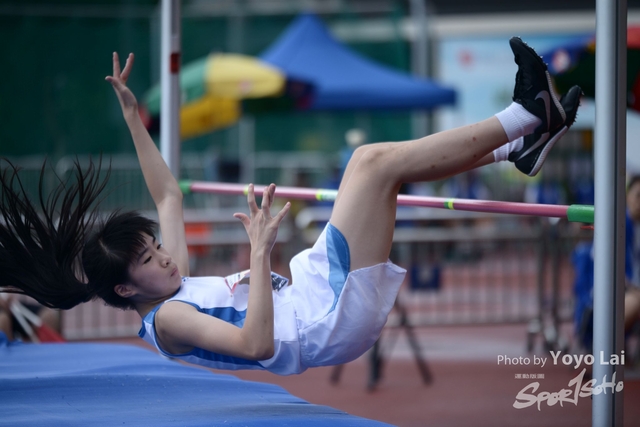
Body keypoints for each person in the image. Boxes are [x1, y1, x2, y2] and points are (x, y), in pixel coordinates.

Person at [0, 38, 581, 375]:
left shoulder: (170, 285)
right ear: (127, 289)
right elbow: (256, 346)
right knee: (373, 165)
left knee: (372, 167)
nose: (166, 257)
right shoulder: (167, 319)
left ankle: (520, 143)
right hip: (323, 322)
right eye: (151, 259)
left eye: (156, 246)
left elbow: (167, 195)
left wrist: (133, 117)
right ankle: (527, 116)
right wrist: (259, 252)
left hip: (312, 291)